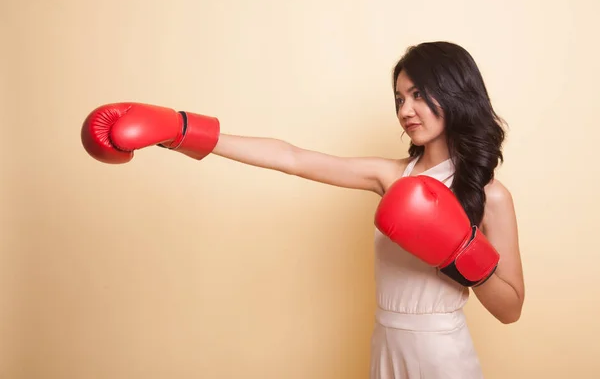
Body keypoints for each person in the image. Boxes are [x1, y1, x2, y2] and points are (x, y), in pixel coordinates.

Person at [81, 41, 525, 379]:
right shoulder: (393, 177)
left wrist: (464, 253)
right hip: (385, 342)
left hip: (441, 353)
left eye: (418, 95)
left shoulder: (491, 196)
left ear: (455, 94)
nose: (405, 110)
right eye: (399, 99)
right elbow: (293, 158)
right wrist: (182, 131)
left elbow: (510, 310)